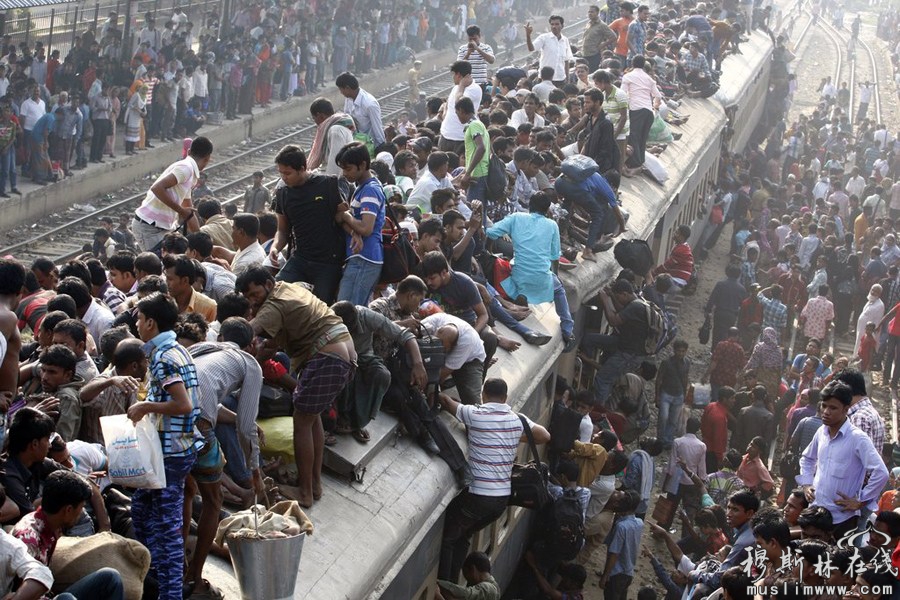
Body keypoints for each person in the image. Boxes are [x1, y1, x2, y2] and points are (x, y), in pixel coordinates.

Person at [239, 266, 356, 508]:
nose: (253, 300)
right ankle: (314, 485)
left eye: (254, 294)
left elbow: (244, 332)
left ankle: (304, 492)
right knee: (312, 418)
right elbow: (272, 345)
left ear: (268, 285)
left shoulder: (273, 304)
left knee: (302, 421)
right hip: (342, 349)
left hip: (327, 356)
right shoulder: (290, 288)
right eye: (248, 297)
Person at [436, 378, 550, 581]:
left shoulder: (474, 414)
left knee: (448, 538)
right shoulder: (518, 420)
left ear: (483, 395)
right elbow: (544, 435)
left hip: (478, 496)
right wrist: (514, 437)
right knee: (463, 536)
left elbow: (445, 401)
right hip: (501, 501)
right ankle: (452, 584)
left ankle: (445, 588)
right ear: (505, 398)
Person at [127, 292, 200, 600]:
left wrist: (146, 408)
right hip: (171, 448)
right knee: (141, 509)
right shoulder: (174, 350)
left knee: (167, 530)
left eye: (140, 319)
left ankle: (170, 592)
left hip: (170, 453)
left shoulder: (163, 357)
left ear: (151, 323)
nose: (137, 324)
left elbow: (182, 404)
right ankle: (155, 575)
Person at [797, 380, 889, 540]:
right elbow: (807, 458)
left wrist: (861, 501)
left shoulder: (857, 438)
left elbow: (881, 473)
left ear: (846, 410)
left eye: (833, 408)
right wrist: (806, 484)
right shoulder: (821, 432)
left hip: (842, 520)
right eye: (824, 406)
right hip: (817, 514)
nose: (826, 411)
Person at [12, 470, 124, 600]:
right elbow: (23, 594)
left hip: (48, 593)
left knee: (110, 577)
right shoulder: (28, 540)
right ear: (68, 510)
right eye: (81, 508)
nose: (81, 512)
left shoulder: (51, 525)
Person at [270, 145, 347, 304]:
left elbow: (343, 216)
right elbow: (282, 230)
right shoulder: (283, 194)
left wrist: (355, 234)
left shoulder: (327, 185)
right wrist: (275, 248)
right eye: (281, 173)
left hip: (328, 262)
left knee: (320, 306)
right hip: (301, 258)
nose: (284, 178)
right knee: (274, 293)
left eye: (288, 173)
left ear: (302, 168)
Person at [132, 136, 211, 251]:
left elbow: (188, 211)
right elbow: (157, 188)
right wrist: (181, 211)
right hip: (149, 226)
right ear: (208, 158)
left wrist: (201, 242)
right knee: (156, 266)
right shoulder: (186, 168)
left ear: (189, 151)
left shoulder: (190, 173)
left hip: (162, 227)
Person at [485, 192, 560, 306]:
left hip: (519, 276)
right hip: (542, 281)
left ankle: (516, 295)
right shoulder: (552, 225)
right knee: (559, 290)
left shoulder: (516, 217)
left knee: (503, 265)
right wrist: (555, 277)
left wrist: (489, 251)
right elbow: (555, 257)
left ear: (530, 205)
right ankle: (566, 321)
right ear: (547, 209)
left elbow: (491, 233)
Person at [335, 141, 386, 305]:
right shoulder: (363, 187)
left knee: (349, 310)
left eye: (348, 168)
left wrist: (346, 216)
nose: (344, 173)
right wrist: (351, 227)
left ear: (362, 165)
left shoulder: (370, 190)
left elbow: (366, 228)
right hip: (360, 257)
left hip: (366, 258)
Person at [586, 279, 650, 404]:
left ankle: (598, 411)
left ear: (625, 294)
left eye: (618, 297)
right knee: (589, 339)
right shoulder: (638, 302)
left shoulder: (636, 306)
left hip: (629, 353)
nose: (617, 300)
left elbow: (613, 321)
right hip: (624, 345)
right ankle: (585, 371)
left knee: (603, 379)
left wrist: (605, 300)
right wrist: (612, 296)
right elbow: (622, 309)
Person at [620, 55, 661, 177]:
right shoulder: (649, 79)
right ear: (644, 65)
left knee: (633, 135)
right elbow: (658, 95)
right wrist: (655, 106)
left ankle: (636, 163)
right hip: (648, 112)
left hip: (636, 109)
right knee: (642, 137)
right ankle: (639, 161)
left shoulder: (628, 76)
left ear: (632, 64)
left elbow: (622, 93)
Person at [599, 490, 643, 600]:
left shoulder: (621, 527)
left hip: (616, 574)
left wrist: (605, 575)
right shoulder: (639, 523)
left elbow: (614, 553)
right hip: (628, 572)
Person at [439, 61, 482, 156]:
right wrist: (445, 113)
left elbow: (459, 103)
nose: (453, 77)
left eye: (454, 74)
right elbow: (449, 102)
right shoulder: (457, 88)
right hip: (446, 134)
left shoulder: (474, 89)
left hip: (460, 138)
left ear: (458, 75)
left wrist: (462, 85)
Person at [307, 98, 355, 176]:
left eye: (314, 118)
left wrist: (329, 183)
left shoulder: (335, 130)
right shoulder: (333, 128)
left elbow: (335, 164)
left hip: (335, 179)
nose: (315, 123)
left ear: (320, 115)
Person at [656, 339, 691, 447]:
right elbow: (659, 379)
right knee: (664, 417)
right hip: (666, 394)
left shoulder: (687, 362)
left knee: (673, 420)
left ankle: (668, 439)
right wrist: (657, 395)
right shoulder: (666, 363)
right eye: (679, 351)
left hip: (678, 395)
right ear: (674, 350)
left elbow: (685, 378)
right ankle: (661, 438)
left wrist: (685, 394)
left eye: (683, 351)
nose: (680, 353)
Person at [456, 97, 491, 203]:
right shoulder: (479, 124)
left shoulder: (474, 125)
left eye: (457, 113)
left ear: (462, 110)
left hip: (477, 174)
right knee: (480, 210)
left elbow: (481, 148)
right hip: (480, 172)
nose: (457, 116)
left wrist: (468, 174)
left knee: (474, 210)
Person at [336, 72, 385, 146]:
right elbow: (347, 117)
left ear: (347, 88)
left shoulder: (369, 104)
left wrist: (381, 147)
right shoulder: (348, 98)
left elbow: (377, 128)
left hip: (368, 145)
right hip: (354, 141)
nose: (341, 92)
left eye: (341, 89)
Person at [524, 15, 574, 85]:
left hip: (560, 79)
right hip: (545, 79)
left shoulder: (565, 40)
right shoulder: (544, 38)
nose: (554, 26)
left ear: (562, 26)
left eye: (557, 24)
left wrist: (568, 79)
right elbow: (531, 49)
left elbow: (566, 60)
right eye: (552, 24)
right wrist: (528, 35)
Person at [582, 5, 616, 71]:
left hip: (593, 55)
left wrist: (602, 45)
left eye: (592, 12)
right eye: (589, 12)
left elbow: (613, 37)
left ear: (597, 13)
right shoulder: (588, 24)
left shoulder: (602, 25)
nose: (590, 14)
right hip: (584, 53)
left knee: (592, 73)